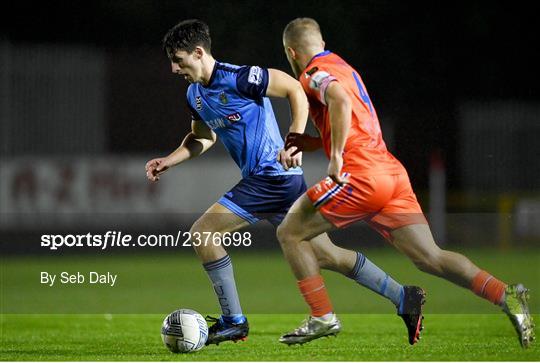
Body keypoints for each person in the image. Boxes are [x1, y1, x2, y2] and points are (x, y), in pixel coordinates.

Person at [146, 19, 425, 346]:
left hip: (272, 176)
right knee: (326, 255)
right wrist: (170, 160)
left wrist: (293, 138)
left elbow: (294, 88)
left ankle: (234, 321)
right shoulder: (194, 95)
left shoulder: (239, 77)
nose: (174, 68)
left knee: (204, 233)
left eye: (178, 60)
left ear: (197, 52)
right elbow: (201, 138)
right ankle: (403, 296)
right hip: (275, 182)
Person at [277, 17, 534, 348]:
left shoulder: (312, 73)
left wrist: (335, 156)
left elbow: (339, 101)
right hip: (389, 172)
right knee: (430, 257)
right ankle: (506, 294)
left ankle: (322, 316)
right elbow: (351, 116)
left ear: (291, 51)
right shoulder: (343, 65)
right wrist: (312, 142)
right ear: (322, 42)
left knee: (289, 232)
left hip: (359, 174)